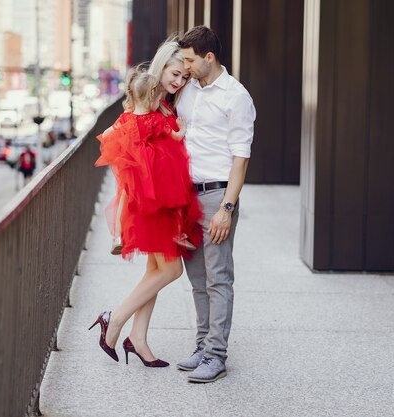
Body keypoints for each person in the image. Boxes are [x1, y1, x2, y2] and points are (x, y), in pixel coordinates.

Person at [90, 48, 202, 367]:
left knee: (156, 270)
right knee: (171, 269)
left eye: (184, 76)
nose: (179, 81)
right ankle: (114, 319)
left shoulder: (164, 103)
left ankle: (137, 339)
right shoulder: (145, 106)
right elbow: (118, 143)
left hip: (164, 203)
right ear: (161, 68)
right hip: (151, 203)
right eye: (174, 74)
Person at [176, 26, 256, 383]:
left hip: (216, 196)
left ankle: (217, 356)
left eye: (191, 60)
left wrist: (227, 207)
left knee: (218, 278)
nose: (186, 66)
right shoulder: (188, 90)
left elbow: (241, 158)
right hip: (186, 196)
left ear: (209, 57)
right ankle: (202, 346)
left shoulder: (236, 96)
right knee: (196, 279)